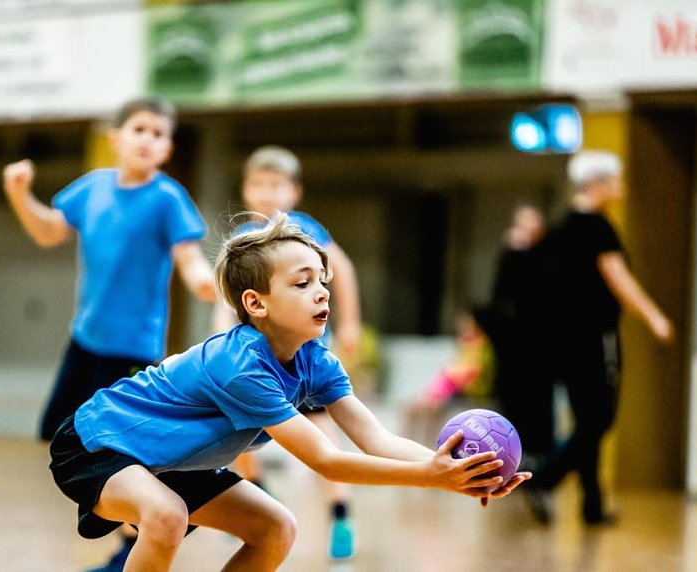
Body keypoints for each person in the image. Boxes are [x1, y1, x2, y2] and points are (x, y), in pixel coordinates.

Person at [49, 212, 531, 571]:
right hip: (99, 443)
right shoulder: (240, 365)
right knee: (166, 514)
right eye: (302, 283)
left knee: (276, 529)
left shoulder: (316, 362)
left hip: (171, 460)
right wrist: (431, 477)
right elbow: (325, 459)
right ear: (256, 304)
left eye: (323, 281)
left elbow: (376, 440)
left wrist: (456, 469)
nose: (322, 292)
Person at [2, 96, 216, 571]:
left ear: (167, 147)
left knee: (118, 450)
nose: (149, 139)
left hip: (133, 353)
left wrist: (207, 282)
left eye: (159, 134)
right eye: (140, 129)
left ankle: (131, 546)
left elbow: (189, 258)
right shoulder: (92, 188)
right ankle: (128, 527)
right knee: (62, 438)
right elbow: (48, 232)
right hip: (84, 343)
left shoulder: (166, 198)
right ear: (116, 138)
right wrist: (20, 194)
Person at [211, 145, 362, 559]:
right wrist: (219, 339)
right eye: (258, 184)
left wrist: (349, 322)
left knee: (323, 440)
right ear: (245, 191)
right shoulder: (243, 240)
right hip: (256, 361)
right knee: (236, 436)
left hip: (302, 357)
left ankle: (341, 515)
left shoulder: (305, 230)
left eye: (275, 185)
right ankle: (254, 499)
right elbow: (225, 300)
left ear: (293, 192)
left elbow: (342, 270)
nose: (266, 193)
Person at [525, 151, 674, 526]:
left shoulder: (561, 227)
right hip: (594, 339)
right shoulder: (597, 228)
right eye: (616, 179)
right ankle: (544, 477)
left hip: (562, 342)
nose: (621, 187)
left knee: (585, 420)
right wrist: (655, 318)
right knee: (599, 420)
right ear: (596, 182)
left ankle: (591, 505)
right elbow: (619, 279)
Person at [482, 205, 553, 470]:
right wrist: (514, 252)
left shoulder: (547, 257)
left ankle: (538, 459)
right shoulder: (510, 256)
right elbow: (500, 296)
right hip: (512, 348)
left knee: (538, 405)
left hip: (539, 347)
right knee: (511, 401)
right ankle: (507, 455)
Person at [402, 309, 495, 447]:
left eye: (467, 325)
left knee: (431, 410)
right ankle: (408, 445)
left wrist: (450, 377)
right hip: (450, 391)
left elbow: (468, 373)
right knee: (410, 408)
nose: (463, 328)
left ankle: (429, 448)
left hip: (467, 394)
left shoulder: (483, 346)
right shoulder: (464, 345)